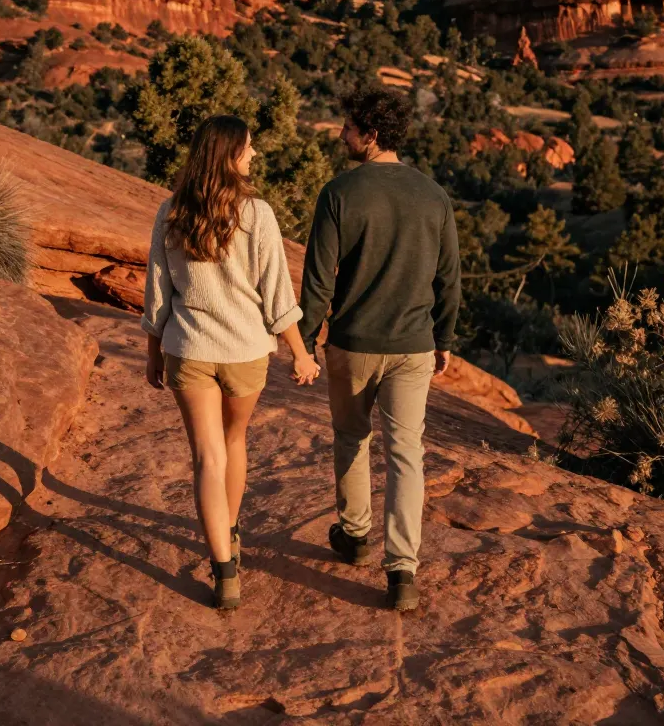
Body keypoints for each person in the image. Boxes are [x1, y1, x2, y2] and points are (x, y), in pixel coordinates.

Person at [142, 115, 320, 610]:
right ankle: (232, 530)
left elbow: (158, 292)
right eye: (248, 147)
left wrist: (153, 352)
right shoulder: (256, 213)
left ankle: (224, 571)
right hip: (244, 352)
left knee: (206, 457)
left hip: (188, 349)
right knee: (234, 440)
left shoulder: (171, 211)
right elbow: (276, 294)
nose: (254, 155)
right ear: (230, 154)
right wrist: (301, 353)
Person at [299, 86, 460, 612]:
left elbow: (319, 280)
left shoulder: (339, 192)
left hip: (353, 343)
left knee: (351, 436)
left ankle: (354, 536)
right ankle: (403, 572)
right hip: (414, 346)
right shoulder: (433, 195)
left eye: (347, 127)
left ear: (370, 135)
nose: (341, 134)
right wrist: (445, 338)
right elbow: (449, 280)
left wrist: (303, 340)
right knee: (406, 452)